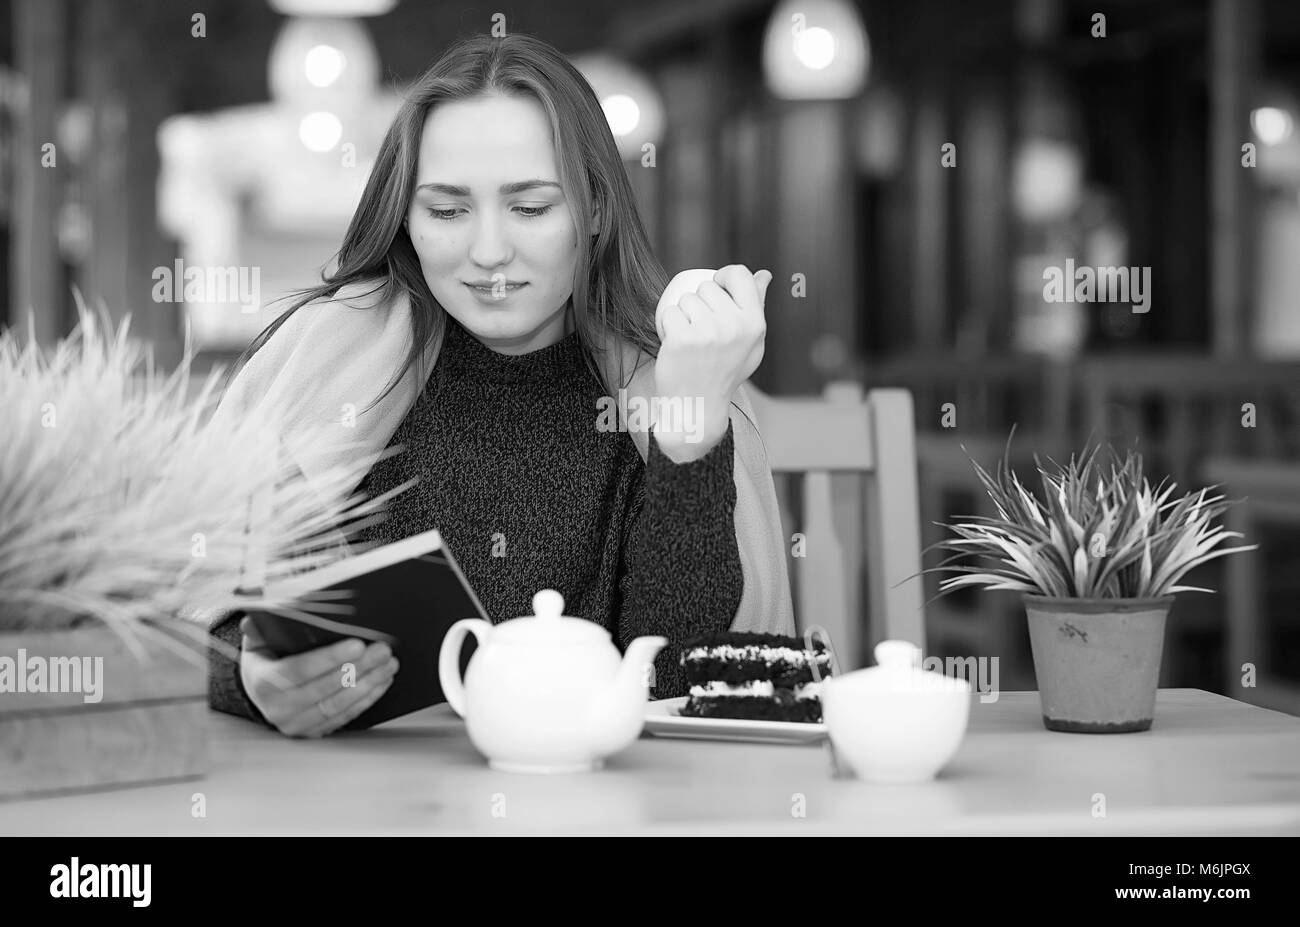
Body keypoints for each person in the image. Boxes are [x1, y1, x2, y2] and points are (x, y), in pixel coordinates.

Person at [206, 32, 791, 738]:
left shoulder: (662, 383)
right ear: (406, 218)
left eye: (532, 207)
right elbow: (175, 624)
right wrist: (248, 676)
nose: (487, 252)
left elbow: (679, 686)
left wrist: (691, 425)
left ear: (597, 209)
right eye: (447, 210)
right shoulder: (325, 363)